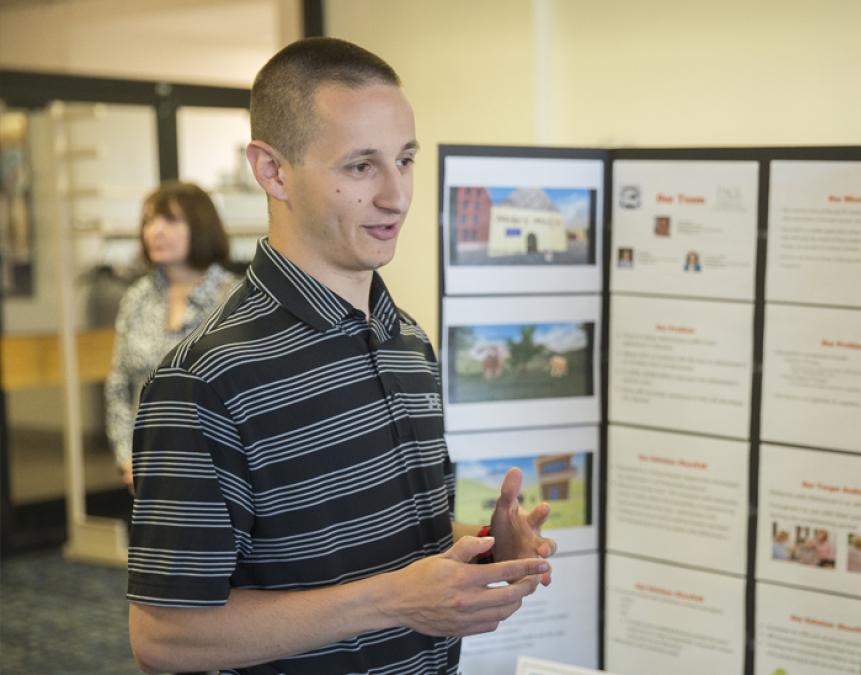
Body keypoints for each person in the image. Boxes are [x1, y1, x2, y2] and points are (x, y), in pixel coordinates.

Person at [126, 37, 556, 674]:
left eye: (405, 160)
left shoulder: (407, 341)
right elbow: (165, 638)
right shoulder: (205, 379)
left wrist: (488, 548)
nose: (397, 196)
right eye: (361, 167)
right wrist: (389, 603)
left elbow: (370, 553)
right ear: (273, 171)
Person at [104, 181, 238, 491]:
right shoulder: (138, 297)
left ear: (201, 226)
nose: (156, 231)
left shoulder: (235, 298)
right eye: (149, 221)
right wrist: (128, 458)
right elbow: (119, 386)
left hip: (220, 472)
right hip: (148, 468)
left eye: (170, 220)